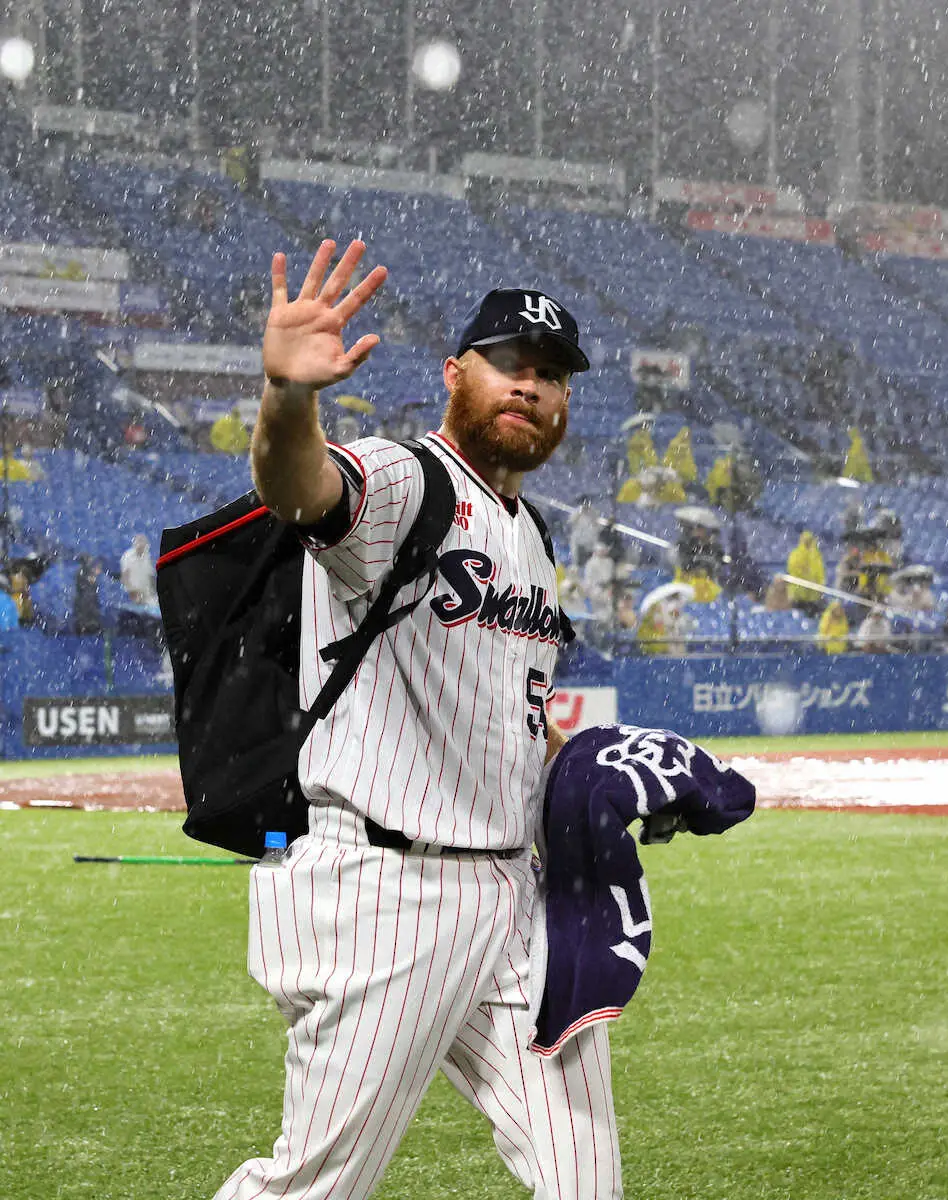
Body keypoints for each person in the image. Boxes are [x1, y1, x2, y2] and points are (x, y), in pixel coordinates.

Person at [212, 239, 622, 1200]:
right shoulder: (405, 481)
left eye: (551, 375)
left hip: (514, 899)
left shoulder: (531, 535)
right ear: (455, 373)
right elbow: (297, 485)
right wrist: (287, 396)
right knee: (314, 1184)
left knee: (583, 1179)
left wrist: (589, 769)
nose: (530, 386)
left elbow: (511, 713)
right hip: (389, 890)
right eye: (509, 363)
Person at [786, 531, 826, 617]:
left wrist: (821, 586)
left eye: (809, 540)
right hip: (798, 593)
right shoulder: (795, 554)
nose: (807, 543)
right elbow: (793, 569)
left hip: (813, 594)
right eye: (806, 540)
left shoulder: (816, 555)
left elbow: (820, 572)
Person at [120, 534, 156, 605]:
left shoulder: (147, 556)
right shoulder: (127, 556)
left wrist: (154, 593)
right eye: (139, 542)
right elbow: (124, 578)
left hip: (147, 595)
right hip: (133, 594)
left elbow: (150, 576)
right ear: (135, 544)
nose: (141, 545)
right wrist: (132, 592)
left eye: (144, 543)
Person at [74, 555, 103, 635]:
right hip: (85, 601)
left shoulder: (87, 572)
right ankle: (86, 627)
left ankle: (88, 627)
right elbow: (83, 587)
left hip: (88, 601)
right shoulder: (82, 573)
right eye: (89, 560)